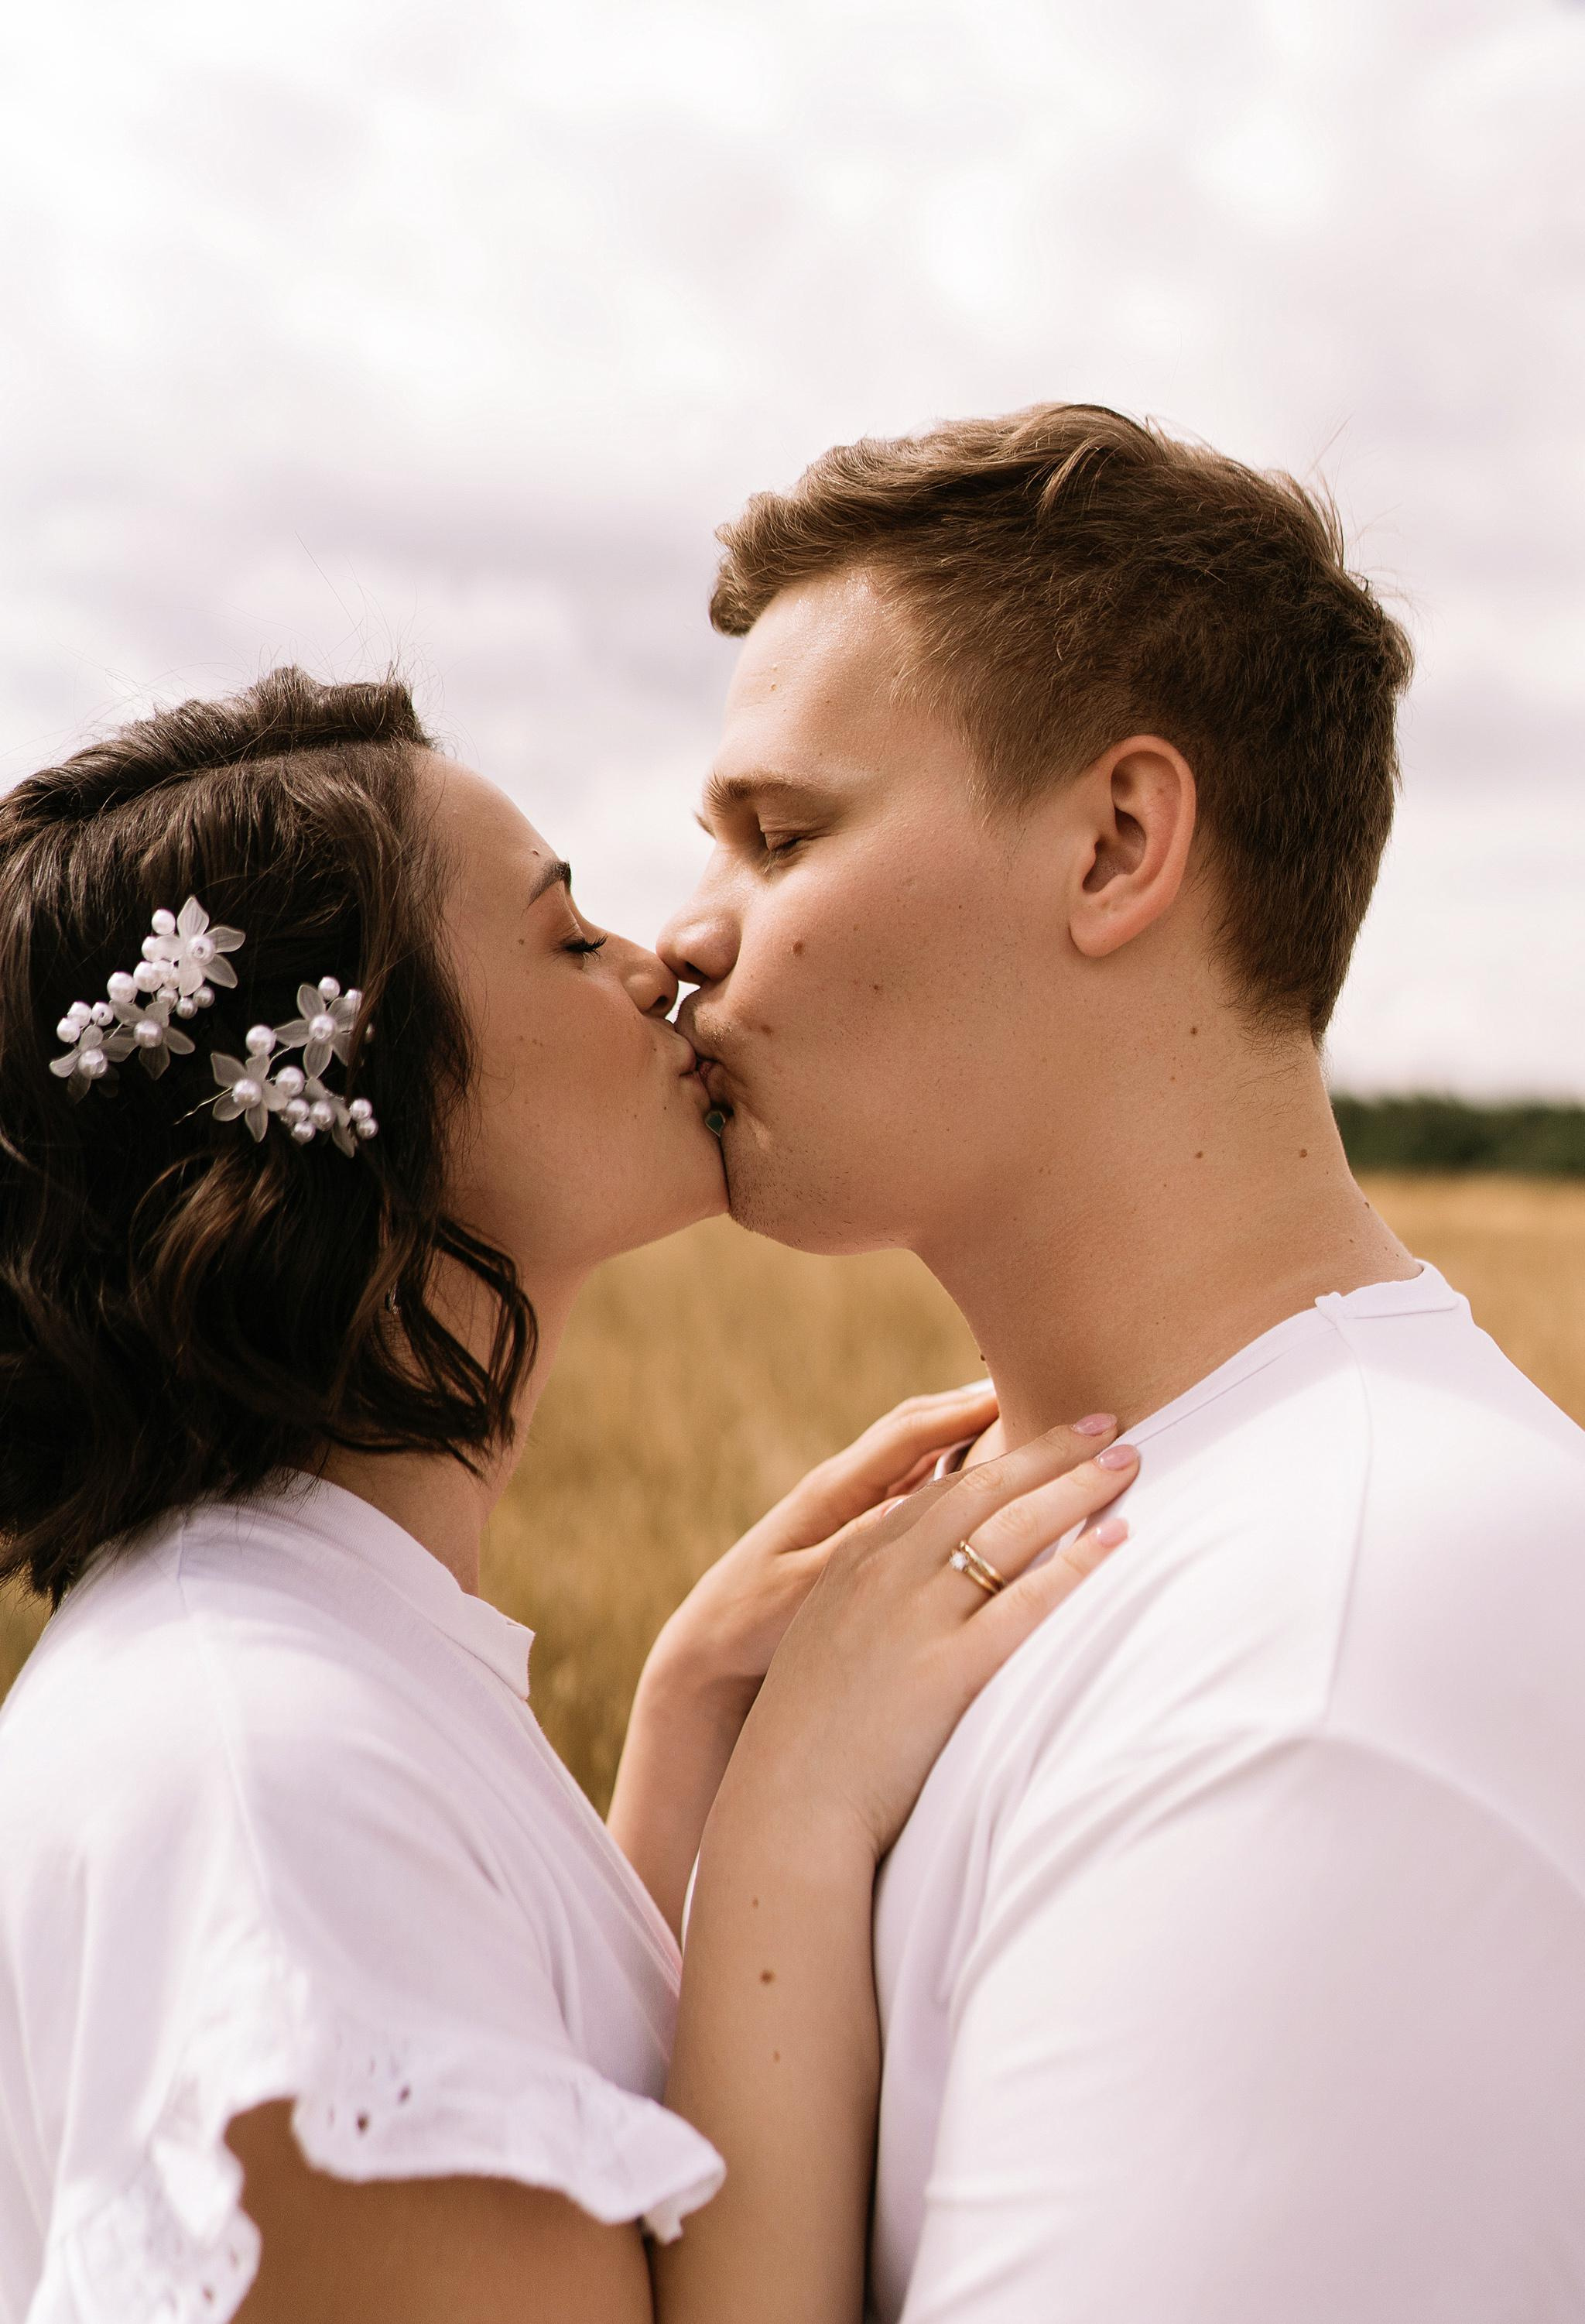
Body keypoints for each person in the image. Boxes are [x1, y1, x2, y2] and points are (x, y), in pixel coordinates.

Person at [0, 670, 1141, 2324]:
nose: (662, 959)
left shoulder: (283, 1667)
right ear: (357, 1108)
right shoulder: (272, 1781)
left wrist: (676, 1750)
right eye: (564, 935)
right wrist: (794, 1815)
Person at [661, 402, 1585, 2321]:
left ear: (1114, 843)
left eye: (781, 832)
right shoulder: (1068, 1556)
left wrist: (773, 1847)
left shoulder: (1327, 1643)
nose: (684, 936)